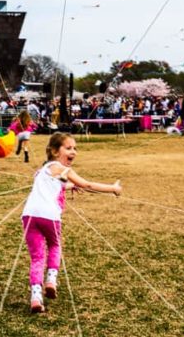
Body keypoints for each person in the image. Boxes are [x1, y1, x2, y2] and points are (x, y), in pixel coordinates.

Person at [21, 133, 122, 313]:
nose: (73, 152)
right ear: (54, 151)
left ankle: (36, 297)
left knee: (37, 257)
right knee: (54, 245)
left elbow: (56, 185)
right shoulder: (62, 168)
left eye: (75, 148)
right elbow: (87, 185)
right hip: (50, 215)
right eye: (68, 148)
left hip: (29, 215)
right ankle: (51, 279)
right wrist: (112, 189)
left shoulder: (41, 171)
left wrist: (70, 186)